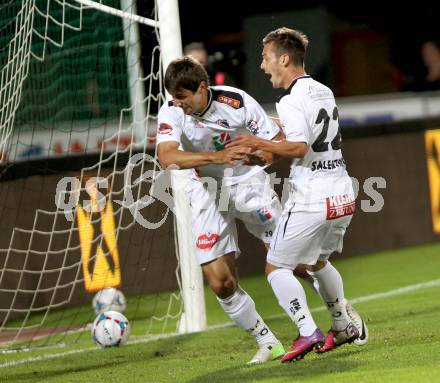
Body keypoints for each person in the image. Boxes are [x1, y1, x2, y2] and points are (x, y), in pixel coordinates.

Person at [227, 27, 368, 363]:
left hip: (312, 196)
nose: (263, 66)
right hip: (343, 193)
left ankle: (307, 332)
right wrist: (269, 127)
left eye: (266, 57)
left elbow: (299, 146)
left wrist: (258, 141)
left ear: (284, 58)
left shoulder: (291, 99)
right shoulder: (323, 91)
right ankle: (343, 325)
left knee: (276, 268)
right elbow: (308, 129)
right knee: (317, 262)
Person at [156, 56, 285, 364]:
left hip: (248, 183)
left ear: (202, 88)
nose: (179, 105)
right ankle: (267, 342)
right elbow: (167, 156)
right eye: (174, 99)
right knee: (219, 281)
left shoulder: (236, 102)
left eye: (184, 98)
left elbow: (276, 144)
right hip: (205, 191)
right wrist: (217, 157)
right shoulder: (172, 110)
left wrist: (259, 157)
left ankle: (338, 315)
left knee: (295, 259)